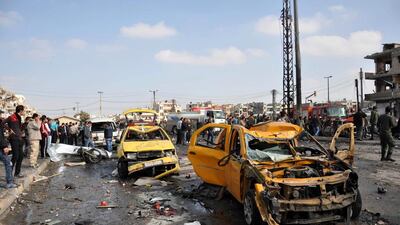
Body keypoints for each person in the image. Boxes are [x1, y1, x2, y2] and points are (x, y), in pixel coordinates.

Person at [2, 105, 25, 178]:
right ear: (20, 111)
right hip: (14, 139)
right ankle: (9, 174)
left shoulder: (20, 118)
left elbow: (18, 128)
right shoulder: (11, 117)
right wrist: (9, 129)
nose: (24, 112)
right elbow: (2, 123)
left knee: (21, 156)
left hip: (19, 139)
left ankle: (17, 173)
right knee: (15, 156)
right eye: (23, 110)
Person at [0, 110, 18, 188]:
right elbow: (0, 136)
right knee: (8, 163)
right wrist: (4, 146)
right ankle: (9, 182)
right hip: (1, 147)